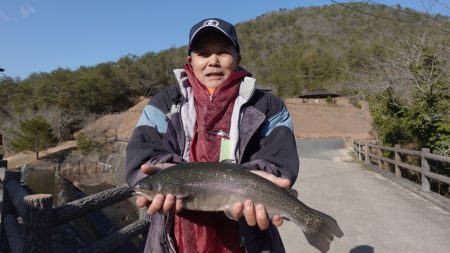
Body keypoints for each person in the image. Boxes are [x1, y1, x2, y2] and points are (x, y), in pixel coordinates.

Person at [126, 17, 299, 253]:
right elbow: (140, 161)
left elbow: (279, 162)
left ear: (238, 58)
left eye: (223, 52)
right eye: (203, 53)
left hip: (250, 236)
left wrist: (261, 182)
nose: (213, 61)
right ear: (191, 60)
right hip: (174, 239)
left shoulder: (268, 106)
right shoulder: (165, 104)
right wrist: (164, 172)